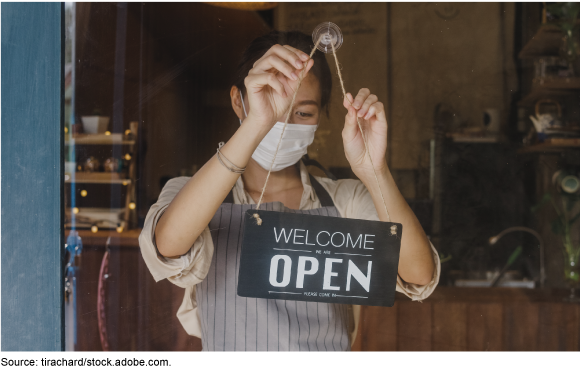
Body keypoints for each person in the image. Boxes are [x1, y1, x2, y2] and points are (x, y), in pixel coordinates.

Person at [139, 30, 440, 351]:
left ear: (321, 118)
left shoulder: (345, 200)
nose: (283, 122)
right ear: (238, 101)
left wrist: (374, 171)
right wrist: (256, 124)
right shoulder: (191, 193)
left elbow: (418, 275)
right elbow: (168, 247)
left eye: (304, 112)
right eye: (270, 101)